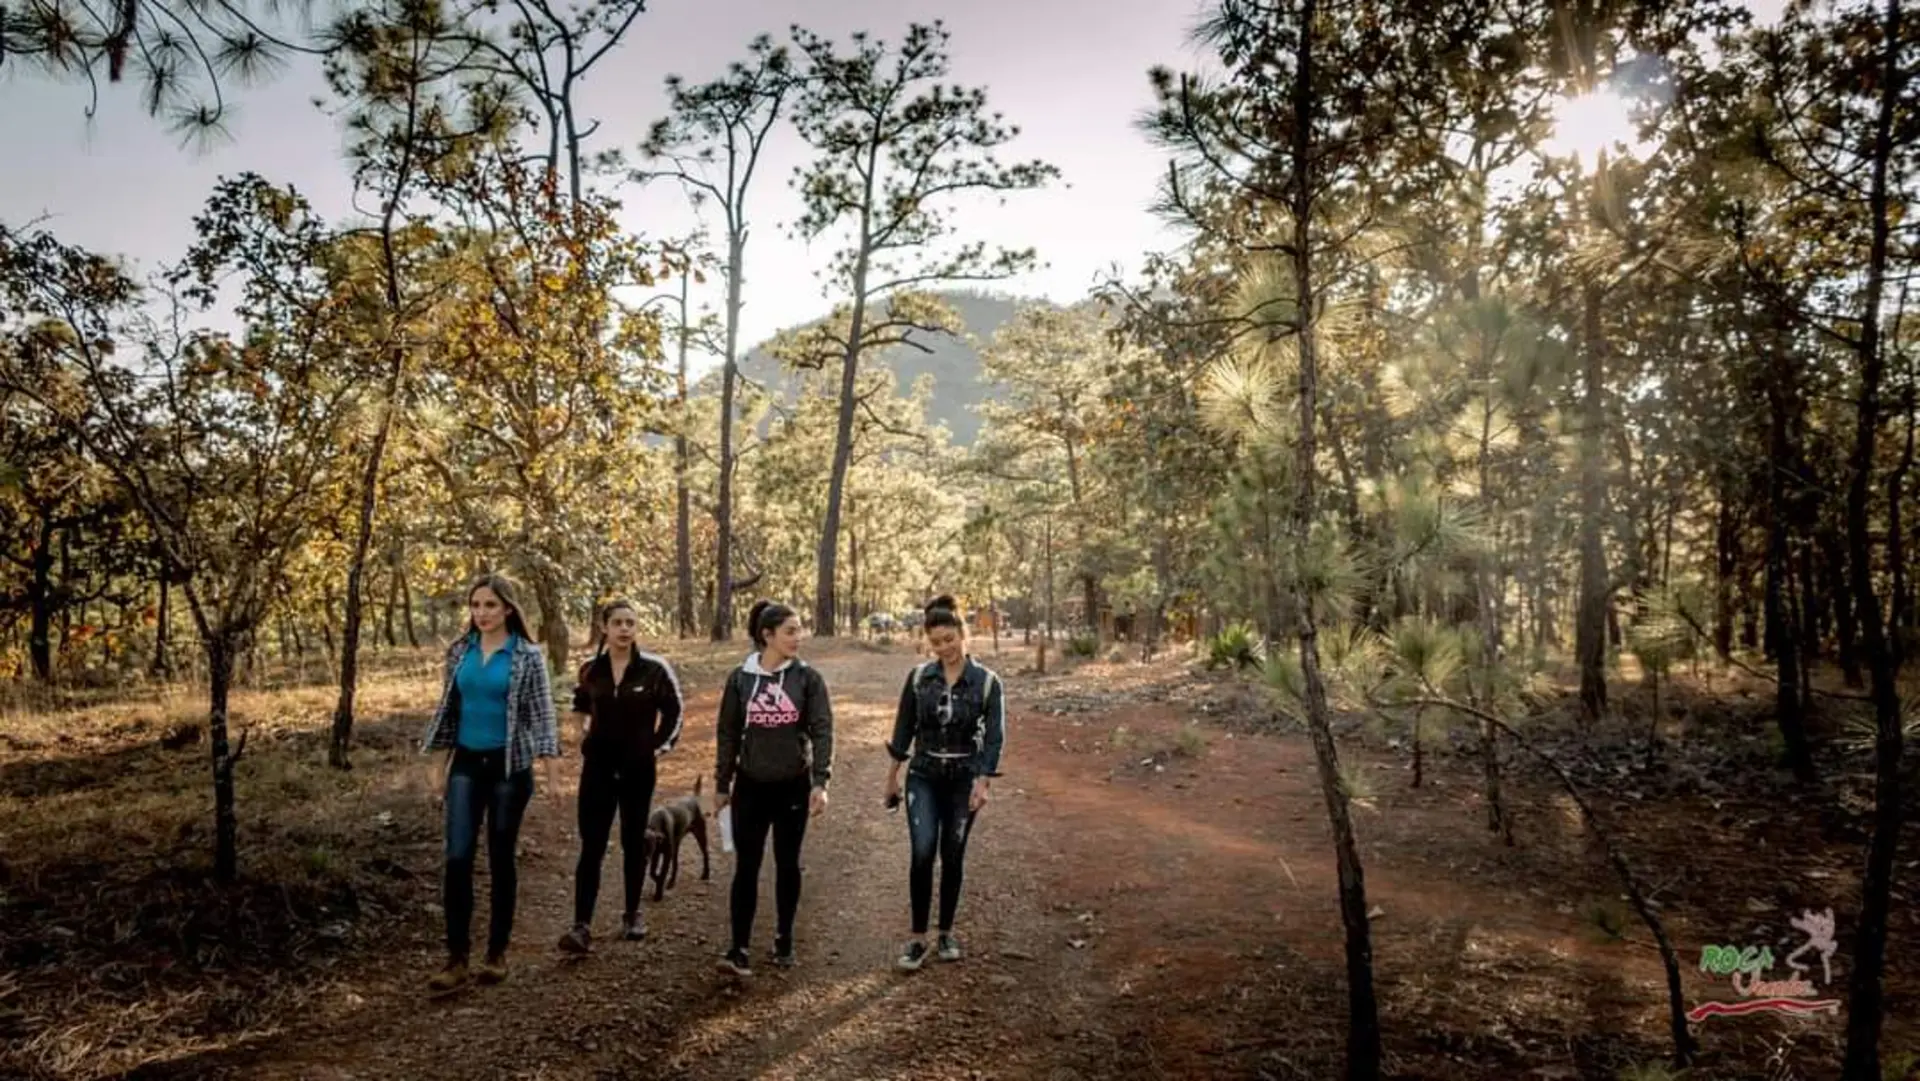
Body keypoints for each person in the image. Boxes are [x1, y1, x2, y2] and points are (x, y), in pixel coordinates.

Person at [419, 573, 561, 992]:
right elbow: (447, 711)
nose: (481, 613)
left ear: (509, 609)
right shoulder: (459, 652)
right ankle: (456, 957)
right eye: (476, 605)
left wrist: (553, 776)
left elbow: (543, 715)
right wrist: (437, 770)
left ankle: (496, 952)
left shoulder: (526, 656)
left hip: (508, 767)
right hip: (466, 763)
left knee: (501, 857)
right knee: (458, 858)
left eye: (490, 606)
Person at [883, 594, 1007, 971]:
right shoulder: (920, 678)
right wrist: (892, 779)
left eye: (949, 639)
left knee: (952, 855)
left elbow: (996, 737)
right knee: (922, 852)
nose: (944, 648)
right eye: (936, 643)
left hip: (963, 778)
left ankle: (946, 932)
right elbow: (903, 729)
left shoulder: (987, 683)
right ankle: (917, 939)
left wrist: (983, 782)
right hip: (923, 776)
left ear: (962, 634)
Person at [713, 599, 834, 976]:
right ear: (768, 635)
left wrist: (820, 781)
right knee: (746, 867)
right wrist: (721, 784)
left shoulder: (807, 679)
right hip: (750, 786)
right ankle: (739, 948)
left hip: (792, 786)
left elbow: (822, 729)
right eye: (790, 631)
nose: (799, 638)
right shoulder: (740, 678)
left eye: (799, 630)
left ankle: (784, 938)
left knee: (787, 864)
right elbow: (728, 733)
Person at [558, 598, 684, 954]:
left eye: (631, 622)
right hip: (597, 767)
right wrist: (583, 735)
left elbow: (674, 712)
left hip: (638, 769)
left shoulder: (655, 670)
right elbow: (580, 705)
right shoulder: (590, 669)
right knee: (592, 845)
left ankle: (632, 914)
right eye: (618, 623)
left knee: (633, 840)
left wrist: (656, 747)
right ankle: (581, 925)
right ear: (605, 628)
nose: (625, 629)